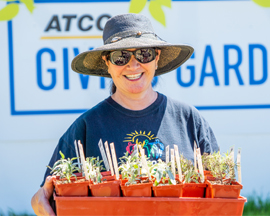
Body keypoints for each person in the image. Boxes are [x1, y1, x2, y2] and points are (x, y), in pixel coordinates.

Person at [31, 13, 219, 215]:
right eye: (120, 56)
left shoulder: (189, 119)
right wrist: (39, 203)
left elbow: (220, 191)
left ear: (156, 58)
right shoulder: (86, 127)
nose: (133, 65)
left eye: (143, 54)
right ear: (107, 64)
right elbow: (45, 198)